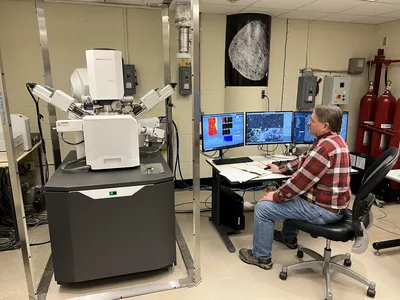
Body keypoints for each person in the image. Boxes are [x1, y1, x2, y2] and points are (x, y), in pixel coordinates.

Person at [239, 104, 351, 270]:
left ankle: (261, 257)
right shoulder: (334, 140)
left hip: (323, 210)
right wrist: (280, 169)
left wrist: (275, 196)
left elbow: (298, 183)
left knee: (263, 208)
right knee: (293, 195)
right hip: (334, 205)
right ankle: (288, 237)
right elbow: (303, 160)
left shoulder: (325, 149)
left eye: (312, 120)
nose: (308, 123)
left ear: (325, 125)